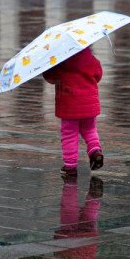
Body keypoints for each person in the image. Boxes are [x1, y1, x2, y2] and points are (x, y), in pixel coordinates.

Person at [43, 47, 104, 177]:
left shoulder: (60, 63)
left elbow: (50, 78)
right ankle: (95, 151)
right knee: (90, 129)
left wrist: (47, 66)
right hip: (89, 105)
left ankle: (70, 167)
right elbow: (98, 75)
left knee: (69, 134)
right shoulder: (92, 61)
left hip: (69, 107)